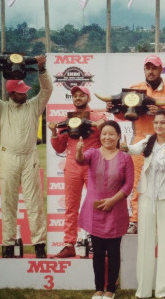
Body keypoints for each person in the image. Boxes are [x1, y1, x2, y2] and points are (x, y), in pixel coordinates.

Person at [0, 54, 52, 258]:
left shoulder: (33, 106)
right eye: (21, 93)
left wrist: (42, 70)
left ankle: (39, 245)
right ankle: (8, 244)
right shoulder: (0, 108)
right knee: (8, 202)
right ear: (11, 93)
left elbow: (47, 90)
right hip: (8, 158)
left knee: (35, 203)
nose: (25, 95)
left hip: (29, 157)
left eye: (25, 92)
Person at [111, 55, 165, 235]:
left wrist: (162, 111)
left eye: (154, 68)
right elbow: (121, 116)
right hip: (140, 141)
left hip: (163, 142)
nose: (151, 71)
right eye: (148, 68)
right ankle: (136, 220)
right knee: (138, 183)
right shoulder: (135, 89)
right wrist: (113, 109)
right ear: (144, 69)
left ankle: (162, 220)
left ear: (161, 70)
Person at [123, 109, 165, 299]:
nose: (158, 126)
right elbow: (134, 149)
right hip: (147, 198)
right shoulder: (148, 141)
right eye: (156, 123)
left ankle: (164, 291)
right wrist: (125, 147)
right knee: (145, 243)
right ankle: (143, 290)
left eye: (163, 123)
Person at [76, 120, 134, 299]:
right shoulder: (92, 153)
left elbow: (128, 185)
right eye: (104, 134)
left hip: (116, 211)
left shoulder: (125, 158)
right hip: (95, 212)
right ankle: (98, 289)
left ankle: (110, 290)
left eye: (111, 134)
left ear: (118, 136)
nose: (107, 137)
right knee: (98, 253)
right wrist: (78, 149)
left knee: (114, 252)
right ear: (100, 137)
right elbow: (80, 160)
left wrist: (112, 201)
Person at [48, 86, 106, 258]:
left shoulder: (98, 117)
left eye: (82, 95)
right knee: (71, 206)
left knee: (97, 205)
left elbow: (109, 140)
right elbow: (59, 146)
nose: (78, 98)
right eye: (75, 96)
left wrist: (102, 127)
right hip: (72, 166)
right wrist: (53, 133)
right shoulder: (68, 119)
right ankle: (69, 244)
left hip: (92, 165)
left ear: (88, 98)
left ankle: (99, 242)